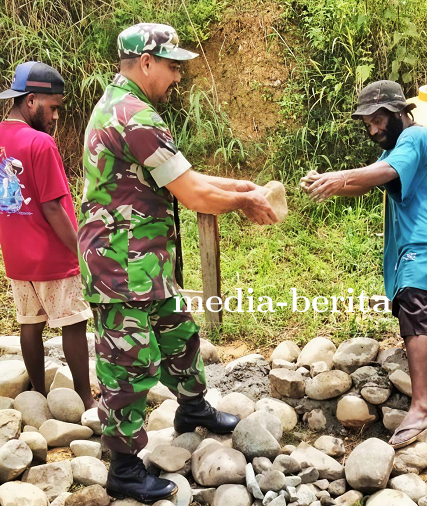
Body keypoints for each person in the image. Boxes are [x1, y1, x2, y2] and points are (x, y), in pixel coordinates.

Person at [78, 23, 277, 502]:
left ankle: (192, 409)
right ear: (145, 62)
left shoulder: (124, 106)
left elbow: (180, 173)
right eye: (171, 66)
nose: (177, 77)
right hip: (121, 266)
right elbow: (191, 193)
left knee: (178, 333)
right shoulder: (136, 115)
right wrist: (244, 204)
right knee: (128, 366)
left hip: (144, 260)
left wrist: (239, 186)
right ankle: (125, 467)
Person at [301, 80, 427, 449]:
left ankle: (422, 407)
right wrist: (328, 183)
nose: (373, 130)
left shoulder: (416, 139)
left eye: (379, 120)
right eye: (368, 124)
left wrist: (338, 177)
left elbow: (382, 174)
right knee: (411, 312)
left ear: (401, 112)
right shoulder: (399, 145)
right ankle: (420, 404)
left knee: (415, 317)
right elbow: (366, 181)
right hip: (416, 244)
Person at [0, 61, 96, 410]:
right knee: (73, 323)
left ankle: (38, 396)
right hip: (52, 255)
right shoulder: (40, 143)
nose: (56, 116)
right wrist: (81, 253)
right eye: (54, 107)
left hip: (17, 257)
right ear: (31, 100)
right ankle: (85, 399)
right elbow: (52, 208)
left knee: (30, 325)